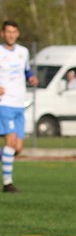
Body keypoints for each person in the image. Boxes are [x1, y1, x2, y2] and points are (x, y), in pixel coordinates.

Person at [0, 20, 38, 193]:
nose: (11, 35)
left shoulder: (23, 52)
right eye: (8, 32)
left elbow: (26, 70)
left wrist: (31, 78)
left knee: (18, 148)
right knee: (11, 142)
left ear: (18, 33)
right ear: (2, 33)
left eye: (13, 32)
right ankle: (7, 183)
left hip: (19, 103)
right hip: (4, 103)